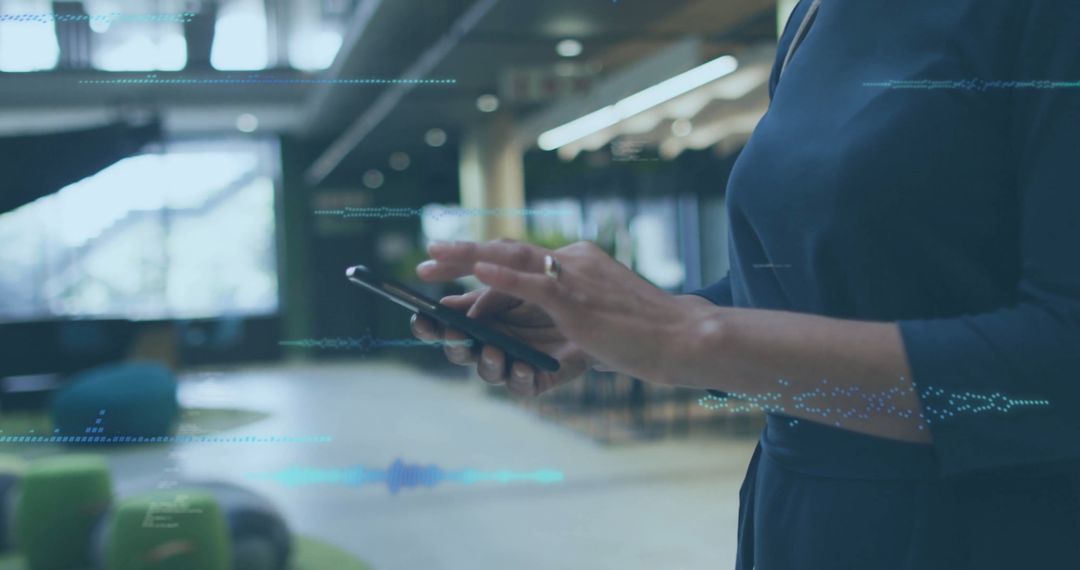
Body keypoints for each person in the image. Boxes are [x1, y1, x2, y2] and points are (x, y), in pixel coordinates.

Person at [411, 0, 1080, 567]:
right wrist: (624, 322)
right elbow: (801, 288)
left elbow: (1061, 361)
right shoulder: (816, 16)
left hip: (975, 524)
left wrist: (693, 339)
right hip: (797, 511)